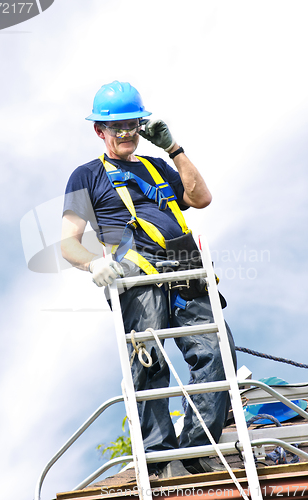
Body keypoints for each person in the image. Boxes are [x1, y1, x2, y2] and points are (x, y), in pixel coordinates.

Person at [61, 81, 237, 479]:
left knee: (217, 354)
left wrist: (173, 148)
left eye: (133, 125)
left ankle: (197, 449)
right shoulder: (87, 176)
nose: (126, 134)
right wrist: (93, 265)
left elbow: (201, 198)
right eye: (117, 127)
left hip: (185, 270)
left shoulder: (158, 167)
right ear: (99, 131)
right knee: (148, 364)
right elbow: (67, 244)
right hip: (137, 277)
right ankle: (158, 457)